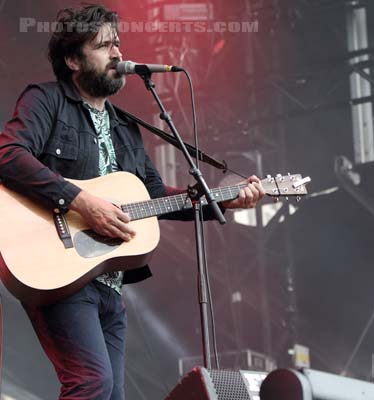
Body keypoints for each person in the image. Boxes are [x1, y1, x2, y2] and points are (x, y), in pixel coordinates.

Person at [0, 4, 265, 399]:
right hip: (57, 273)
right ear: (73, 59)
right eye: (104, 46)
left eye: (118, 44)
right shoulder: (46, 101)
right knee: (92, 384)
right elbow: (8, 155)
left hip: (110, 284)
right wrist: (82, 202)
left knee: (113, 394)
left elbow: (156, 198)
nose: (119, 54)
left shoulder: (127, 129)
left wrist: (223, 202)